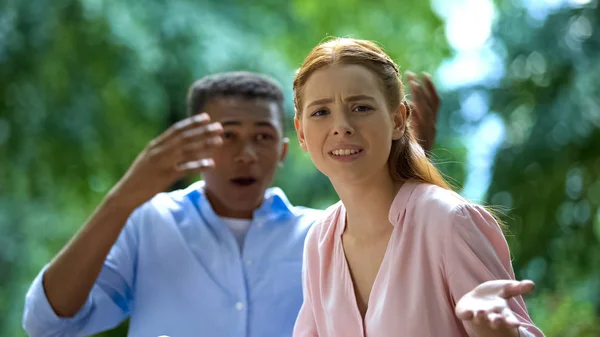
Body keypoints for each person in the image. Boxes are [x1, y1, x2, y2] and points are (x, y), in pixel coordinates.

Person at [22, 71, 439, 337]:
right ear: (194, 143)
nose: (246, 154)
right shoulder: (148, 222)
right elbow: (47, 323)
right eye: (227, 135)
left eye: (261, 136)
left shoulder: (327, 234)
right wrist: (127, 195)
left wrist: (401, 165)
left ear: (284, 149)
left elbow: (395, 307)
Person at [291, 38, 546, 337]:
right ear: (301, 134)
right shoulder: (320, 241)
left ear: (398, 120)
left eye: (361, 107)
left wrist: (500, 331)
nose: (341, 125)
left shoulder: (447, 221)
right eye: (321, 112)